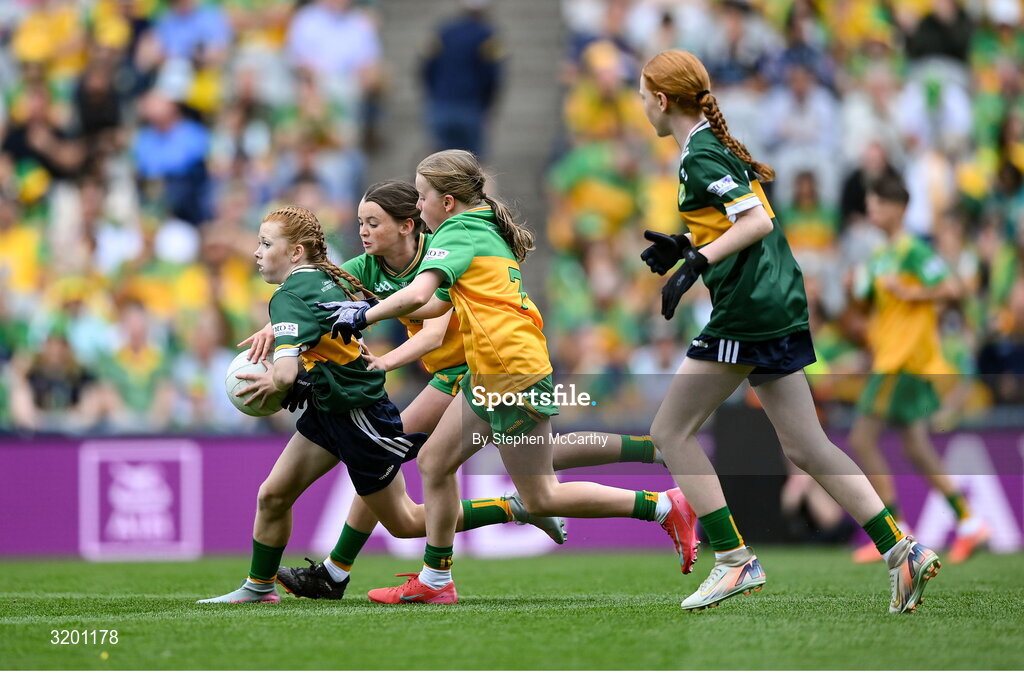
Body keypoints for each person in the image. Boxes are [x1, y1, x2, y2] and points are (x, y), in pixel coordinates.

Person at [319, 151, 699, 604]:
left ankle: (662, 506)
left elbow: (420, 293)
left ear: (447, 200)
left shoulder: (457, 230)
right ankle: (436, 580)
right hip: (490, 370)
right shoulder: (475, 225)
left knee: (540, 495)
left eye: (421, 197)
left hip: (510, 371)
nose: (417, 207)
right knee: (435, 462)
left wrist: (361, 316)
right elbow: (438, 303)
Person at [635, 49, 939, 613]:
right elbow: (734, 222)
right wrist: (686, 246)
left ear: (660, 99)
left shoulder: (699, 154)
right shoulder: (710, 147)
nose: (639, 105)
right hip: (776, 302)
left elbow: (756, 219)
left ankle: (732, 560)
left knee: (669, 432)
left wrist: (696, 265)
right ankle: (902, 550)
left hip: (748, 309)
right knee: (807, 445)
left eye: (641, 93)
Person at [196, 205, 562, 604]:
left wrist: (275, 380)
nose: (256, 251)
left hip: (361, 416)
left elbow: (284, 375)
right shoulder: (322, 279)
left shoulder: (294, 295)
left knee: (405, 522)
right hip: (329, 405)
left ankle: (515, 508)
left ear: (296, 252)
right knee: (273, 494)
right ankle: (260, 587)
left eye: (266, 243)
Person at [847, 176, 988, 565]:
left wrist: (914, 293)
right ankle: (969, 522)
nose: (872, 209)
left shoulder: (911, 250)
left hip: (903, 361)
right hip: (891, 357)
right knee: (915, 445)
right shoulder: (880, 256)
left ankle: (896, 530)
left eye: (877, 203)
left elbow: (954, 289)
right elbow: (864, 308)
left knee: (862, 439)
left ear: (898, 208)